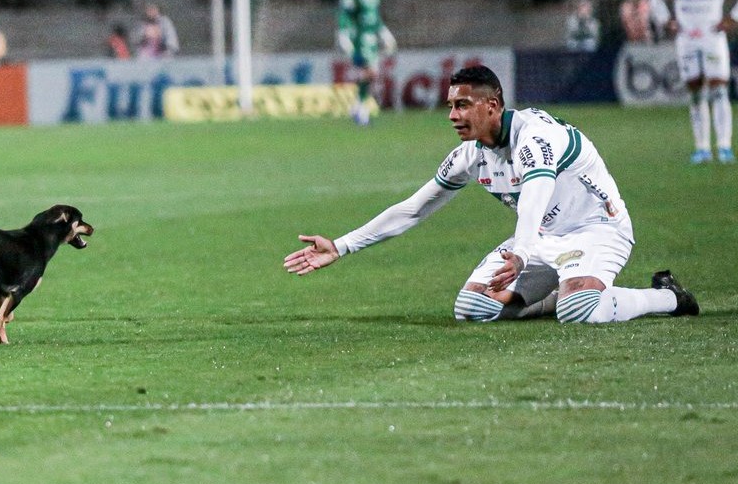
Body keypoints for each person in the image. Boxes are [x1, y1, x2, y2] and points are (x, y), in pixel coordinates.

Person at [284, 65, 699, 325]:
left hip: (597, 230)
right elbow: (414, 209)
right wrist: (341, 246)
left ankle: (665, 296)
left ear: (493, 105)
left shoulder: (535, 137)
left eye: (463, 105)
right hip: (541, 242)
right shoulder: (471, 155)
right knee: (472, 308)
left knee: (581, 312)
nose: (452, 116)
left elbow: (536, 193)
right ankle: (561, 290)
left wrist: (520, 253)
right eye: (450, 105)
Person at [650, 0, 738, 164]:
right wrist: (667, 21)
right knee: (695, 92)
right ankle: (702, 148)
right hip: (687, 39)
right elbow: (655, 0)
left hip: (712, 37)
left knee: (719, 90)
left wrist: (733, 18)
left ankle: (725, 146)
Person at [336, 0, 396, 125]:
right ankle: (361, 111)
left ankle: (358, 107)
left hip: (372, 41)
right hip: (359, 39)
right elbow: (345, 14)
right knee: (369, 74)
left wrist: (384, 33)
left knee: (369, 75)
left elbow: (375, 17)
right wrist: (343, 34)